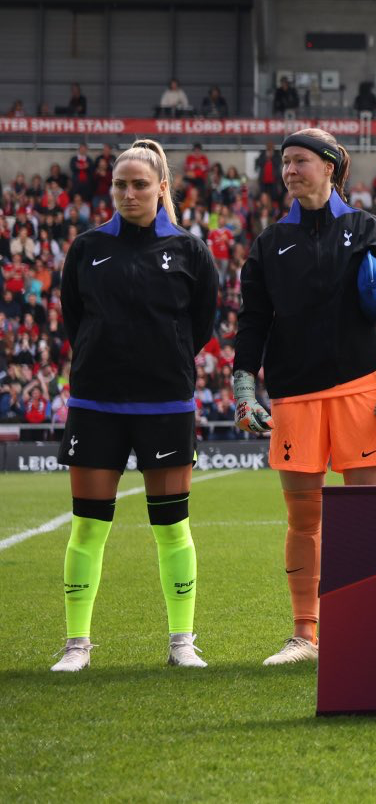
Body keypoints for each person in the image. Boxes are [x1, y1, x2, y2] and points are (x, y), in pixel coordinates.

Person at [232, 127, 376, 665]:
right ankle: (305, 635)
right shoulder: (269, 243)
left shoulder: (368, 229)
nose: (289, 171)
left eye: (299, 161)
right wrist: (245, 387)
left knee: (366, 515)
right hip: (293, 398)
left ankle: (371, 628)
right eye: (285, 163)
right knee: (303, 520)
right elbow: (252, 321)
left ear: (331, 167)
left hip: (364, 388)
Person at [51, 140, 218, 672]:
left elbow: (202, 327)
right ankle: (77, 646)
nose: (128, 193)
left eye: (139, 184)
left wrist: (160, 361)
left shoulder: (191, 251)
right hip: (96, 403)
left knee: (172, 527)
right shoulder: (86, 248)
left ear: (161, 188)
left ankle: (181, 643)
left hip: (165, 405)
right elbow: (74, 320)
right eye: (120, 184)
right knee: (88, 526)